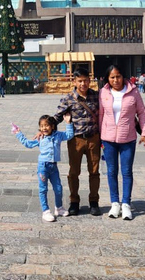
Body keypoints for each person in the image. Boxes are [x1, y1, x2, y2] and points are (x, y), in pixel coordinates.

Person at [98, 65, 145, 220]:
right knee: (111, 171)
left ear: (123, 77)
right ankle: (115, 203)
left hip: (128, 138)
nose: (116, 80)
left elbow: (142, 112)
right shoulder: (103, 92)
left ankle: (126, 203)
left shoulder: (133, 91)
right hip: (108, 139)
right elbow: (101, 115)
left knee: (127, 172)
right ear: (108, 79)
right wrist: (100, 135)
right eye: (112, 77)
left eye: (118, 76)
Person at [51, 67, 102, 216]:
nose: (83, 84)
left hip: (93, 139)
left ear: (89, 81)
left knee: (94, 171)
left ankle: (94, 202)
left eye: (85, 80)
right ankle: (74, 201)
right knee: (74, 172)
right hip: (76, 140)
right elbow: (57, 117)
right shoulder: (68, 98)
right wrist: (45, 129)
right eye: (80, 81)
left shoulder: (96, 96)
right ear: (74, 81)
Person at [13, 114, 74, 222]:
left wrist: (68, 123)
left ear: (52, 126)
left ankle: (59, 208)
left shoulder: (58, 135)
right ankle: (45, 211)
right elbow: (28, 144)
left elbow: (69, 135)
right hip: (43, 167)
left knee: (58, 188)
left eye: (46, 125)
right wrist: (19, 134)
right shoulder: (40, 138)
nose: (44, 128)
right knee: (43, 189)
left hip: (53, 167)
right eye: (41, 126)